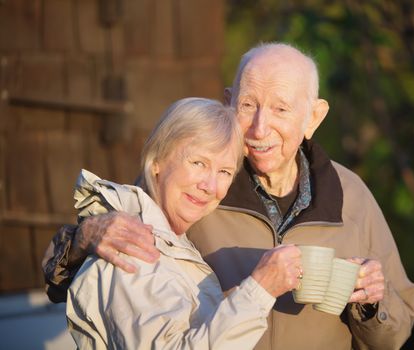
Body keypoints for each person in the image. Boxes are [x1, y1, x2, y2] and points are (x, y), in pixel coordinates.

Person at [43, 43, 414, 349]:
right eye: (248, 105)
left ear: (313, 118)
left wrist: (372, 303)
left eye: (281, 109)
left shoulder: (350, 195)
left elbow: (395, 334)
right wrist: (84, 237)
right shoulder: (196, 184)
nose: (259, 127)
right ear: (229, 102)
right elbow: (94, 265)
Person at [63, 97, 303, 349]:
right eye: (198, 163)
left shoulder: (172, 242)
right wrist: (259, 291)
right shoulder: (131, 244)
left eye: (224, 172)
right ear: (157, 160)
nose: (210, 186)